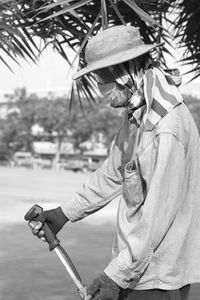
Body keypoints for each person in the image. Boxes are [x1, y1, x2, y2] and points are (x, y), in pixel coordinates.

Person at [28, 25, 200, 300]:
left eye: (102, 79)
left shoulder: (165, 126)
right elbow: (112, 174)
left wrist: (114, 277)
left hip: (157, 279)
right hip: (136, 271)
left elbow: (156, 219)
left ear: (124, 72)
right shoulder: (138, 114)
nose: (100, 89)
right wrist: (62, 214)